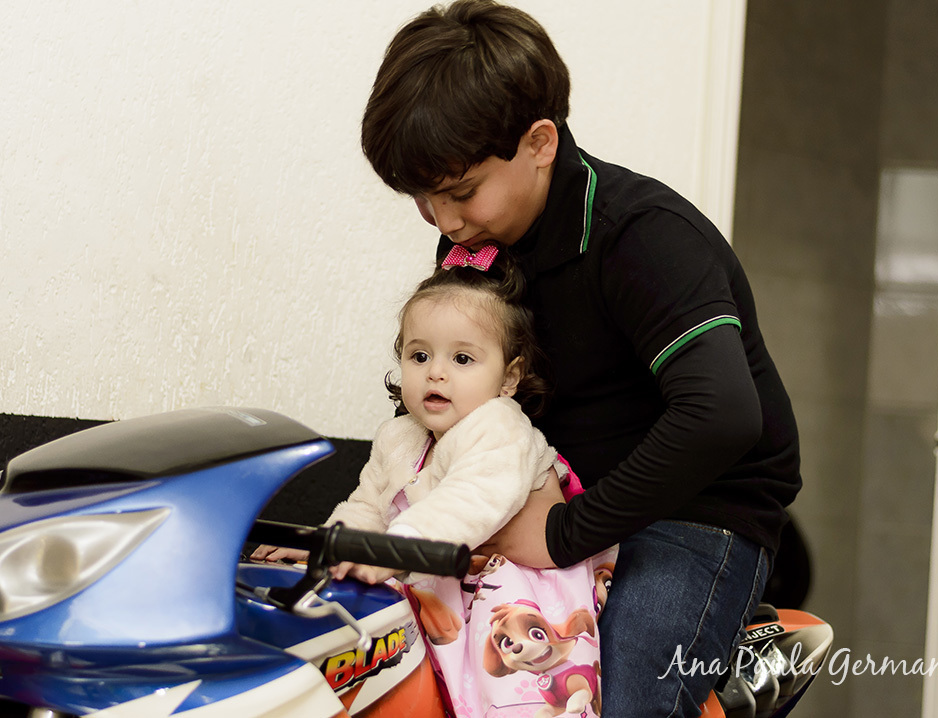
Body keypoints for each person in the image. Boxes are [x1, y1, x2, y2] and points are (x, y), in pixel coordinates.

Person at [357, 2, 802, 716]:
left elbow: (722, 415)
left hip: (691, 516)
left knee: (613, 697)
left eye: (460, 192)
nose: (444, 223)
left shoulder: (645, 237)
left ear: (539, 143)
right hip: (545, 495)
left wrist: (564, 531)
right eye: (422, 199)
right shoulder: (474, 241)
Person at [254, 244, 609, 717]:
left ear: (509, 377)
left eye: (463, 359)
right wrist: (330, 545)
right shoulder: (399, 436)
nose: (436, 372)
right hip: (440, 582)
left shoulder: (499, 424)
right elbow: (367, 505)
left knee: (512, 691)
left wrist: (385, 552)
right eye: (419, 356)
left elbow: (469, 500)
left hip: (518, 597)